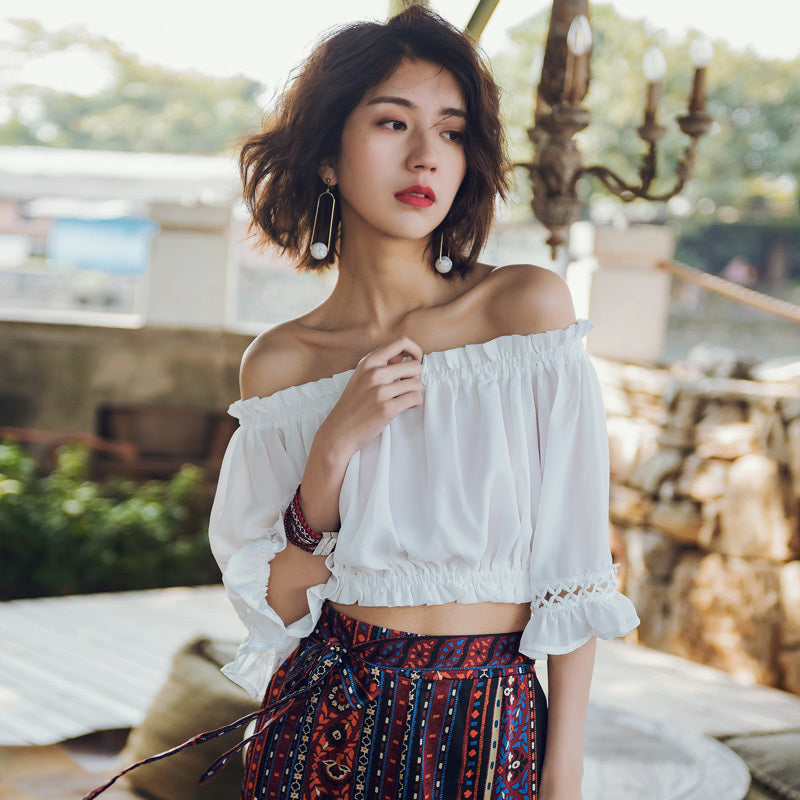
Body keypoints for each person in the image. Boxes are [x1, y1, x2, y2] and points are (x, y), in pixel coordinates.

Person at [83, 7, 639, 800]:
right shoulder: (281, 363)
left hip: (490, 717)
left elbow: (577, 563)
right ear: (327, 158)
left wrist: (564, 773)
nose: (425, 155)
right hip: (324, 717)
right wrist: (331, 452)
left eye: (450, 131)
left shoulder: (525, 313)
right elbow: (278, 608)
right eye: (391, 122)